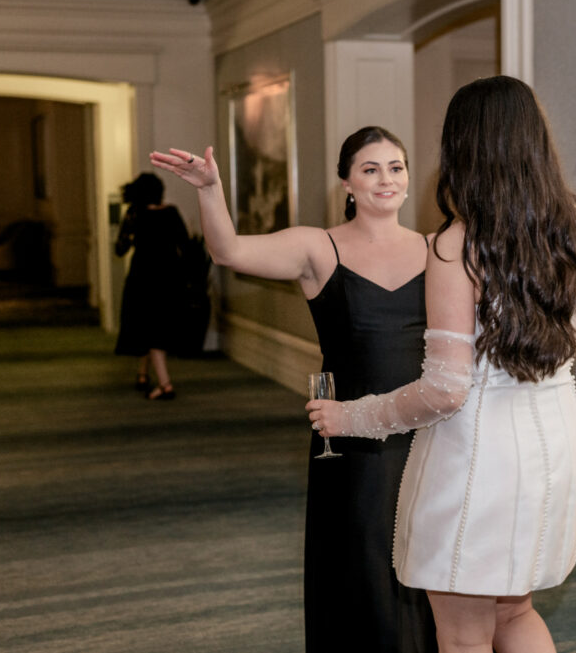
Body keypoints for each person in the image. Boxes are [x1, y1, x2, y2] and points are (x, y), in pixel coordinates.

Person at [306, 75, 576, 652]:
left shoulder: (456, 245)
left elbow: (445, 390)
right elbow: (568, 269)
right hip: (555, 447)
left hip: (479, 457)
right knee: (515, 613)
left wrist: (353, 417)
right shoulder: (561, 231)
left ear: (462, 148)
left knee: (463, 636)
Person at [151, 127, 440, 653]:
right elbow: (229, 252)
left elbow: (526, 274)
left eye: (395, 167)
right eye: (370, 169)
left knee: (429, 564)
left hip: (427, 430)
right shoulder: (317, 246)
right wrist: (210, 189)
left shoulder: (435, 250)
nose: (386, 179)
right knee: (363, 565)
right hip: (351, 440)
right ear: (347, 182)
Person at [114, 172, 189, 401]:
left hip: (142, 278)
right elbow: (185, 245)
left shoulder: (135, 214)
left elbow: (120, 248)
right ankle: (142, 374)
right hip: (169, 277)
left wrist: (130, 232)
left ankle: (165, 385)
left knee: (149, 328)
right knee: (156, 326)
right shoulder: (172, 213)